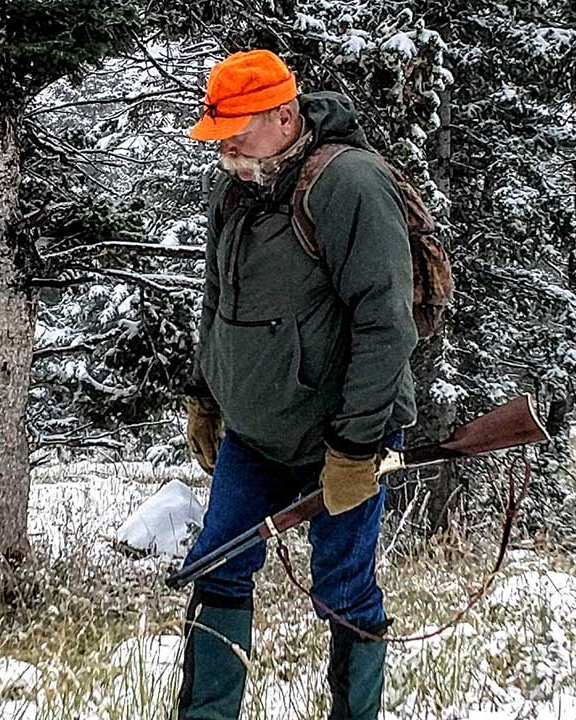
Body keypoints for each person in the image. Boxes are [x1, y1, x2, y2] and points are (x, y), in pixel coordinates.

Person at [177, 48, 417, 720]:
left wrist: (355, 445)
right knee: (216, 565)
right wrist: (205, 394)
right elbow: (216, 300)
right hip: (255, 437)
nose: (225, 146)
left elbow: (386, 323)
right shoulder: (238, 188)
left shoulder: (351, 184)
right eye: (219, 132)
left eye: (238, 130)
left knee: (343, 588)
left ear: (284, 117)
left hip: (337, 435)